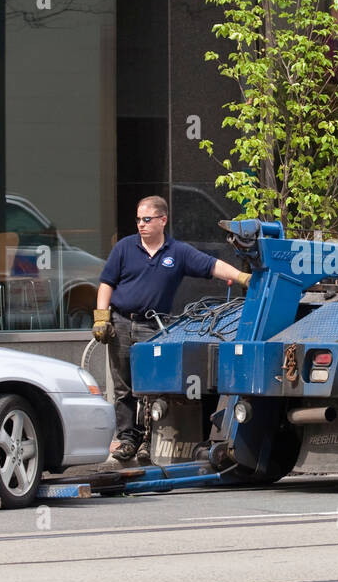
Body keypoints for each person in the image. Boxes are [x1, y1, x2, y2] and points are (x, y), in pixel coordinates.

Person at [94, 196, 250, 463]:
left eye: (147, 219)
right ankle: (128, 439)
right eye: (138, 220)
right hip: (120, 322)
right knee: (123, 388)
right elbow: (106, 283)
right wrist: (101, 317)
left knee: (150, 387)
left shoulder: (176, 252)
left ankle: (146, 442)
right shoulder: (124, 248)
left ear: (162, 220)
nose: (141, 225)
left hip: (151, 327)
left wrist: (242, 277)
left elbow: (212, 265)